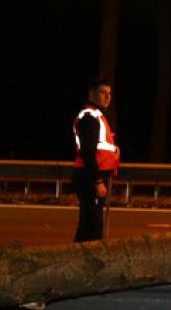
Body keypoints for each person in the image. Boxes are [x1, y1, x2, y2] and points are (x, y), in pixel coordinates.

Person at [72, 78, 120, 242]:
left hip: (92, 175)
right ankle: (86, 259)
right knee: (92, 226)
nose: (107, 97)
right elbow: (88, 152)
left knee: (90, 223)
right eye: (102, 93)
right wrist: (98, 181)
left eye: (109, 94)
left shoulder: (98, 116)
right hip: (89, 176)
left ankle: (82, 257)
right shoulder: (90, 117)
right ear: (91, 94)